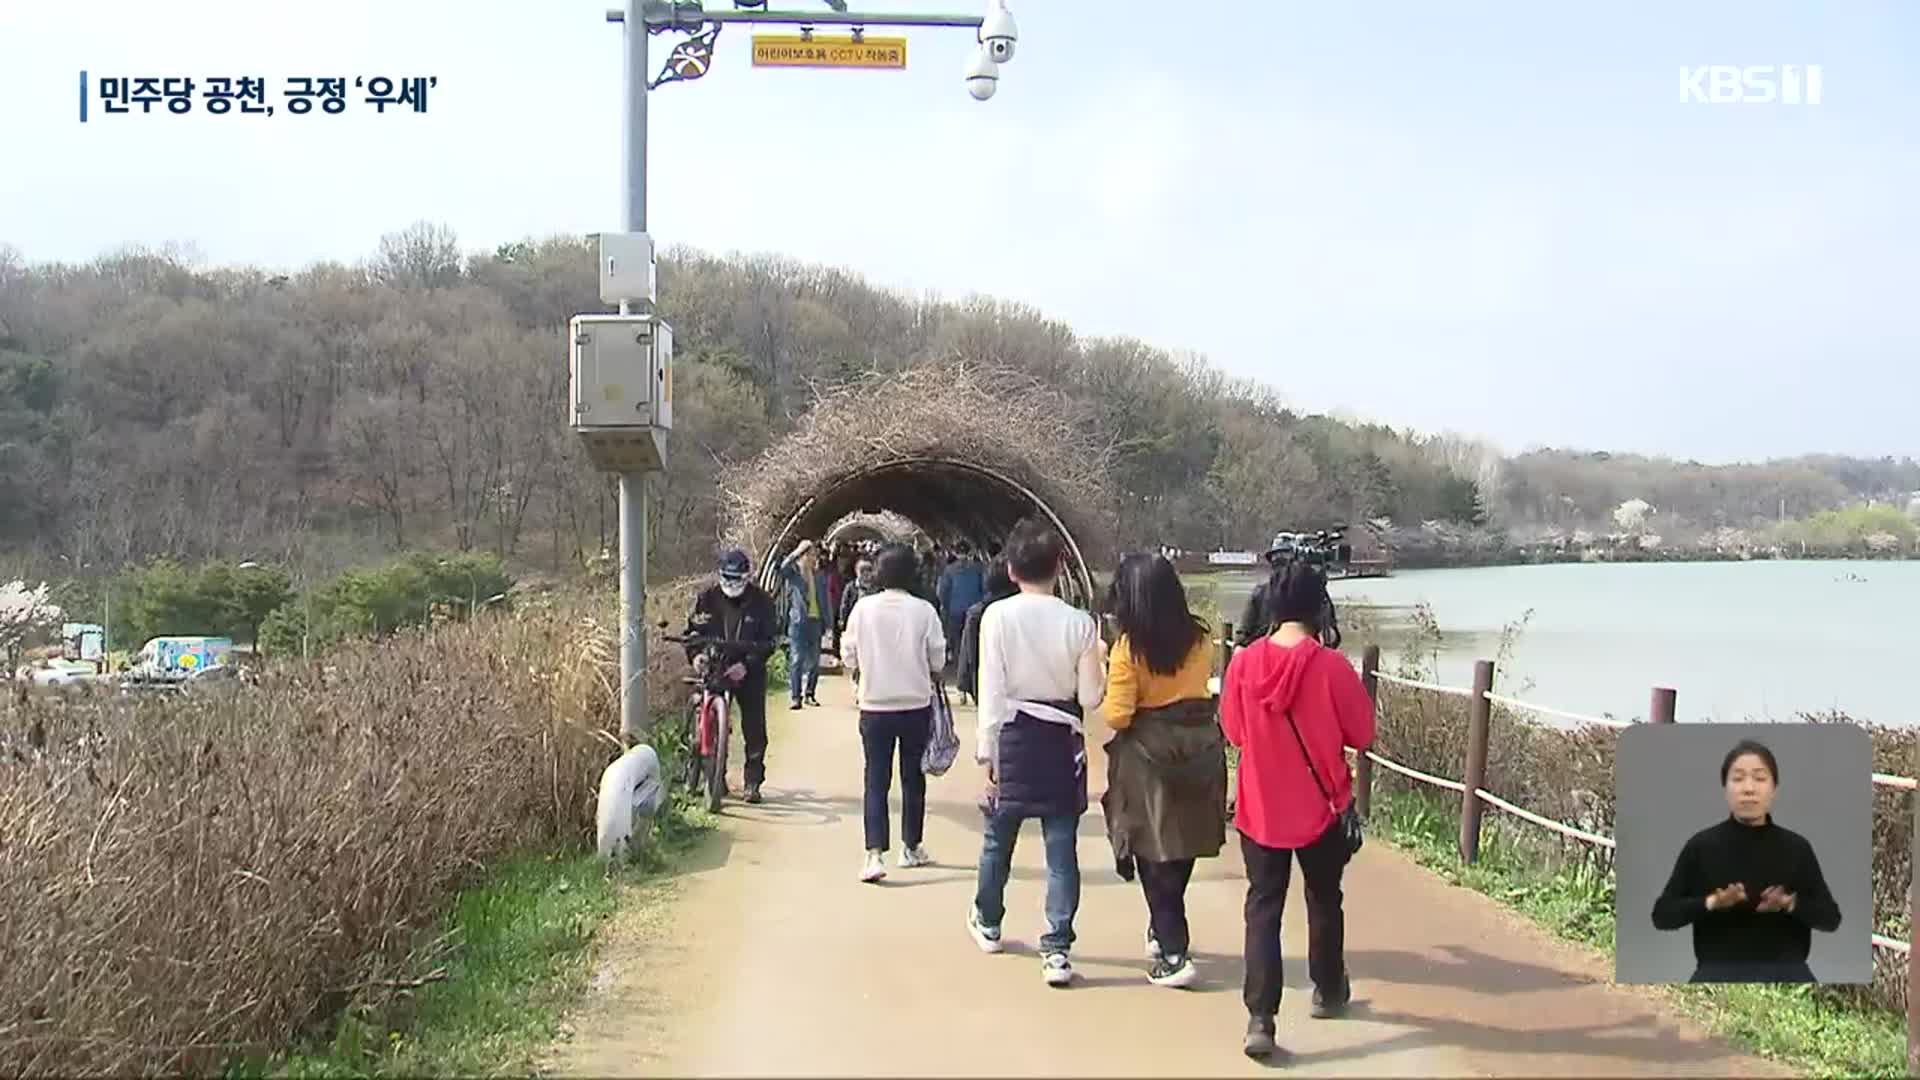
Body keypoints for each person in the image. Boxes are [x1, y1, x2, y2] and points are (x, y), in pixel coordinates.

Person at [1220, 561, 1375, 1059]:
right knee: (1324, 898)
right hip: (1322, 807)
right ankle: (1328, 989)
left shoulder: (1243, 665)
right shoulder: (1331, 667)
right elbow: (1363, 734)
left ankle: (1261, 1017)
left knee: (1263, 907)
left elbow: (1235, 733)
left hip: (1260, 806)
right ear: (1318, 607)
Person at [969, 517, 1106, 988]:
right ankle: (1058, 948)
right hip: (1061, 741)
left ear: (1011, 569)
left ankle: (988, 922)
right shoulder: (1081, 624)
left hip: (1011, 736)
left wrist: (987, 754)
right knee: (1061, 848)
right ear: (1060, 566)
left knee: (997, 838)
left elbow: (991, 688)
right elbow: (1090, 699)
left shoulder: (997, 618)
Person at [1099, 553, 1226, 990]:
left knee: (1152, 852)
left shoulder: (1128, 649)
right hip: (1200, 750)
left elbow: (1117, 716)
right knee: (1182, 844)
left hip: (1149, 760)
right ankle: (1162, 928)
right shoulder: (1201, 641)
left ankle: (1174, 952)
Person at [1650, 739, 1842, 983]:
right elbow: (1662, 915)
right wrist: (1712, 902)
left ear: (1774, 789)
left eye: (1760, 779)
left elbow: (1831, 918)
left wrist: (1788, 903)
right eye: (1738, 779)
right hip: (1717, 975)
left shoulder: (1797, 847)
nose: (1748, 789)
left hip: (1786, 978)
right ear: (1725, 788)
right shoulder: (1702, 846)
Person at [841, 543, 947, 883]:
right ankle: (910, 847)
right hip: (915, 704)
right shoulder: (924, 610)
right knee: (912, 778)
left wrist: (862, 670)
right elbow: (937, 659)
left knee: (876, 779)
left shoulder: (863, 609)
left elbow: (849, 654)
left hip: (874, 705)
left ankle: (874, 855)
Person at [680, 548, 779, 804]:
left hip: (749, 669)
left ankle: (752, 781)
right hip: (715, 664)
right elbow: (692, 632)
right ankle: (713, 776)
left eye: (738, 579)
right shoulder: (707, 599)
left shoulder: (762, 602)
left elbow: (769, 641)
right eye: (728, 578)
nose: (732, 584)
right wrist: (696, 656)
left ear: (747, 577)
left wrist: (748, 664)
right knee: (708, 718)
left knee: (754, 727)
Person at [778, 540, 831, 709]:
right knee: (797, 659)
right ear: (801, 557)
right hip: (798, 622)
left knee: (814, 661)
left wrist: (828, 624)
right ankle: (795, 697)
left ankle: (810, 694)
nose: (812, 558)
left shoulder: (819, 576)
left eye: (813, 555)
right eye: (808, 555)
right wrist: (795, 552)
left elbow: (825, 601)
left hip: (815, 622)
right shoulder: (794, 575)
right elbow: (782, 568)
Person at [955, 559, 1016, 706]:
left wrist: (968, 686)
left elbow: (970, 656)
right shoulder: (1025, 613)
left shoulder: (977, 613)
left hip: (987, 692)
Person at [937, 542, 988, 668]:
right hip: (975, 609)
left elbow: (943, 591)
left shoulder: (949, 570)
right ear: (969, 552)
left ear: (955, 552)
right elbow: (985, 588)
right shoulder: (978, 568)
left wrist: (946, 606)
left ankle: (960, 665)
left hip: (955, 609)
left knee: (957, 638)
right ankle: (974, 663)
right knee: (975, 637)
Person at [836, 555, 876, 640]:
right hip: (855, 622)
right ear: (856, 572)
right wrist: (842, 619)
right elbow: (844, 604)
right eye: (862, 571)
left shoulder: (877, 588)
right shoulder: (851, 587)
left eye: (869, 570)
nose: (866, 574)